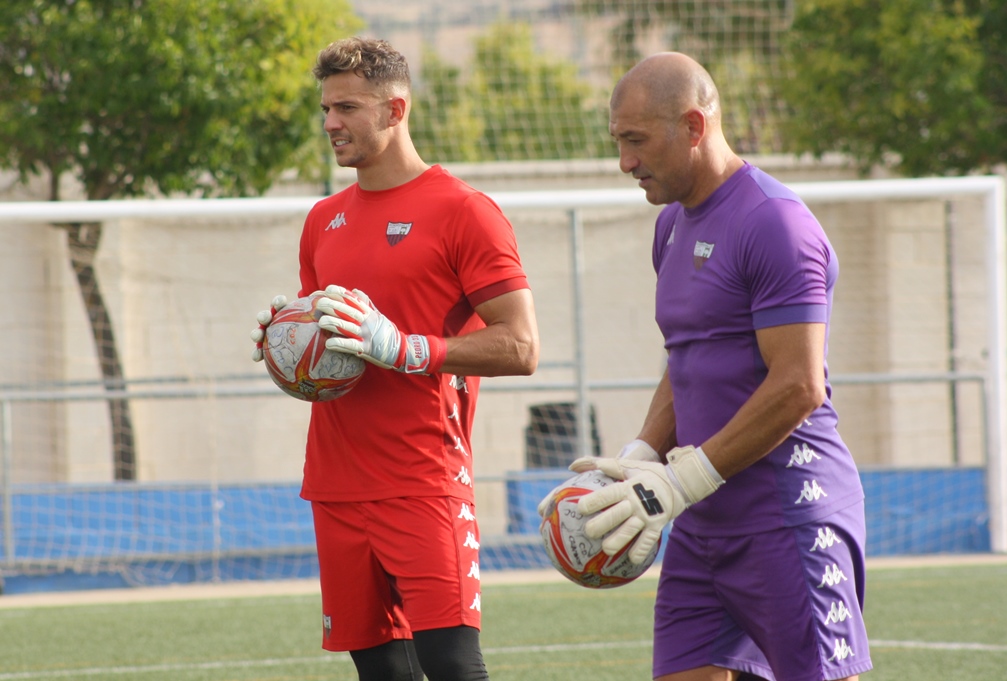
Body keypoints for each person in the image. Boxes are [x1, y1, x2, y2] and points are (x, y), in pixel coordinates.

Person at [553, 53, 872, 681]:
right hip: (702, 526)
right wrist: (644, 455)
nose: (625, 162)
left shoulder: (775, 223)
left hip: (788, 518)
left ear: (694, 127)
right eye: (619, 142)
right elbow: (690, 354)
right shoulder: (670, 225)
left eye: (636, 141)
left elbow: (799, 385)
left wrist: (681, 480)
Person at [251, 37, 539, 681]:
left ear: (395, 110)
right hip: (335, 482)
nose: (330, 123)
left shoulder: (466, 211)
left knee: (452, 665)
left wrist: (404, 348)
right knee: (381, 671)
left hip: (423, 480)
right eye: (326, 108)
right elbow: (329, 352)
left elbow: (521, 345)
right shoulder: (323, 219)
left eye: (347, 107)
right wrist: (286, 345)